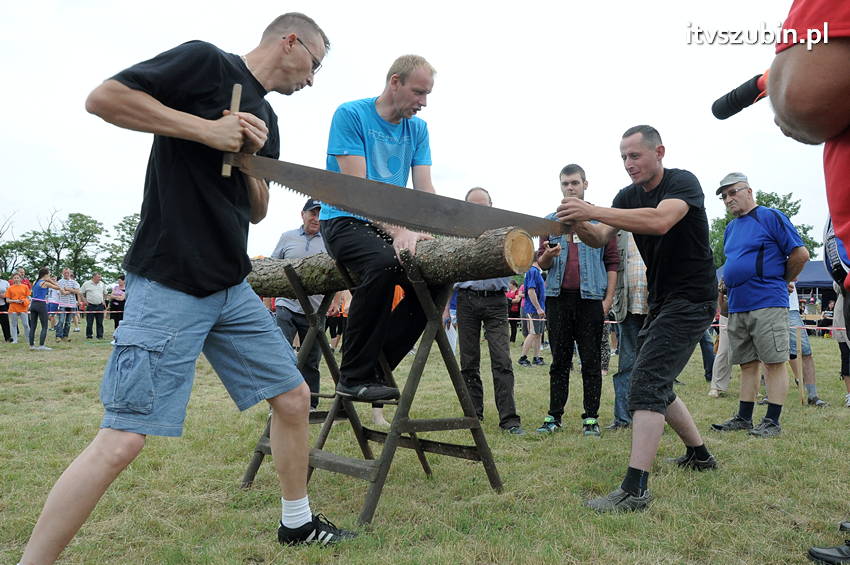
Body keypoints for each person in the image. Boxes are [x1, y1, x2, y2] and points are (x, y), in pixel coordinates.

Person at [18, 14, 355, 565]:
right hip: (169, 278)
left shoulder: (267, 115)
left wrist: (248, 157)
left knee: (294, 397)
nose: (313, 79)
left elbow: (262, 205)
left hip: (230, 283)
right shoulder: (205, 62)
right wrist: (205, 129)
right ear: (290, 41)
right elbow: (102, 99)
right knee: (125, 437)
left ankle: (296, 523)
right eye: (314, 64)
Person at [557, 125, 718, 513]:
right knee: (656, 378)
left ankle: (635, 490)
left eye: (635, 155)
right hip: (661, 299)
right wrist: (577, 221)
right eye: (623, 157)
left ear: (658, 152)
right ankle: (700, 456)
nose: (629, 164)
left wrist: (591, 209)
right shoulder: (626, 197)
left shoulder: (683, 184)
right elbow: (599, 238)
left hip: (693, 297)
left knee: (645, 382)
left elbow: (661, 221)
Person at [320, 54, 437, 403]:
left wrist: (430, 231)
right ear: (395, 82)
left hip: (392, 226)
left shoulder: (418, 130)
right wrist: (400, 230)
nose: (424, 103)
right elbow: (358, 193)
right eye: (418, 92)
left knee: (436, 278)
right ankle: (353, 376)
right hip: (345, 219)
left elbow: (425, 190)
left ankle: (378, 365)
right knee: (384, 264)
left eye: (428, 94)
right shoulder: (351, 115)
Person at [709, 173, 809, 438]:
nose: (728, 199)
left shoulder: (770, 216)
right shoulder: (731, 228)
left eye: (733, 192)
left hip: (767, 302)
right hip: (739, 304)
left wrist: (780, 280)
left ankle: (772, 421)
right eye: (724, 196)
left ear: (749, 191)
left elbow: (801, 253)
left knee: (774, 361)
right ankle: (744, 417)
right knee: (747, 363)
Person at [535, 164, 618, 437]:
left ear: (585, 184)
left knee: (591, 361)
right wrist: (549, 256)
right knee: (559, 361)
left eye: (574, 183)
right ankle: (553, 417)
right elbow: (541, 263)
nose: (570, 188)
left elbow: (612, 263)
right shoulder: (549, 221)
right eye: (565, 184)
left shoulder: (602, 221)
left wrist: (607, 301)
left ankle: (591, 419)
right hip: (557, 299)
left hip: (591, 300)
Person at [453, 187, 524, 435]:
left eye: (484, 205)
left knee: (502, 360)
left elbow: (518, 261)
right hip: (466, 299)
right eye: (474, 205)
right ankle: (473, 416)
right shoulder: (458, 234)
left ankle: (509, 420)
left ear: (492, 206)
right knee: (468, 361)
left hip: (496, 302)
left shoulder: (505, 233)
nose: (479, 210)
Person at [271, 198, 336, 411]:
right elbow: (271, 268)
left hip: (316, 310)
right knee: (281, 354)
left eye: (320, 214)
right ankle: (278, 404)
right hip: (286, 305)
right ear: (303, 214)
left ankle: (311, 404)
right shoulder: (287, 237)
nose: (316, 218)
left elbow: (338, 274)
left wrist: (337, 299)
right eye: (312, 213)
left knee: (310, 360)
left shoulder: (329, 240)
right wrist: (265, 302)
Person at [608, 230, 648, 428]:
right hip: (627, 305)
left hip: (656, 307)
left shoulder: (659, 223)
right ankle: (623, 419)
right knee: (627, 365)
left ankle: (653, 417)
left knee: (654, 367)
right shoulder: (619, 231)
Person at [787, 282, 827, 406]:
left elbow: (794, 276)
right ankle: (770, 395)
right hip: (766, 307)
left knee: (806, 352)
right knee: (769, 355)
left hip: (790, 308)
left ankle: (812, 396)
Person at [708, 280, 733, 397]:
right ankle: (716, 386)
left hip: (750, 312)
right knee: (723, 350)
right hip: (728, 314)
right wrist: (722, 309)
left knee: (752, 353)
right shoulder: (731, 266)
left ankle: (754, 388)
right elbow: (721, 292)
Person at [517, 261, 546, 367]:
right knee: (533, 333)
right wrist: (538, 308)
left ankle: (536, 358)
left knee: (539, 334)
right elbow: (530, 291)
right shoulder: (532, 271)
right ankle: (523, 358)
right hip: (534, 309)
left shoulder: (537, 272)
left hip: (540, 309)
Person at [29, 268, 62, 351]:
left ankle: (31, 345)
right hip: (41, 304)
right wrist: (51, 280)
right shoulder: (45, 283)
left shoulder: (35, 282)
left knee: (33, 326)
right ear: (46, 274)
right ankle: (41, 345)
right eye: (49, 274)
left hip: (33, 304)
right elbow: (58, 287)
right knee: (44, 326)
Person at [80, 273, 108, 339]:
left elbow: (105, 293)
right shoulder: (86, 284)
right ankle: (89, 336)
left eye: (100, 277)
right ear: (93, 277)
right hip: (90, 305)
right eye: (98, 277)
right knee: (89, 322)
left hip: (100, 305)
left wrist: (104, 300)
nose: (100, 278)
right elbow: (81, 293)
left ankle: (100, 336)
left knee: (100, 322)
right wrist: (84, 301)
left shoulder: (102, 284)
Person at [56, 268, 80, 342]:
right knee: (61, 321)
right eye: (65, 273)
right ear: (62, 273)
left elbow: (78, 291)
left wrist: (68, 289)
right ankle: (58, 336)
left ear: (70, 273)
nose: (66, 274)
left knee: (68, 322)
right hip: (62, 304)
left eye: (68, 273)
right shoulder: (59, 282)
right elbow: (61, 292)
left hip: (72, 304)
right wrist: (71, 290)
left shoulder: (74, 282)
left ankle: (65, 336)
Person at [6, 272, 31, 344]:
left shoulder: (25, 287)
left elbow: (28, 297)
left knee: (26, 324)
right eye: (15, 278)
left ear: (20, 278)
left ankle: (28, 339)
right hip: (13, 308)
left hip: (23, 308)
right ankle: (15, 340)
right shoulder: (10, 288)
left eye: (18, 278)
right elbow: (7, 300)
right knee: (13, 324)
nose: (16, 279)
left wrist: (25, 301)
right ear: (12, 279)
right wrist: (16, 301)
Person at [0, 275, 11, 343]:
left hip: (3, 305)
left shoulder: (5, 282)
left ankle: (8, 338)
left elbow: (10, 293)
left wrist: (5, 295)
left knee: (5, 322)